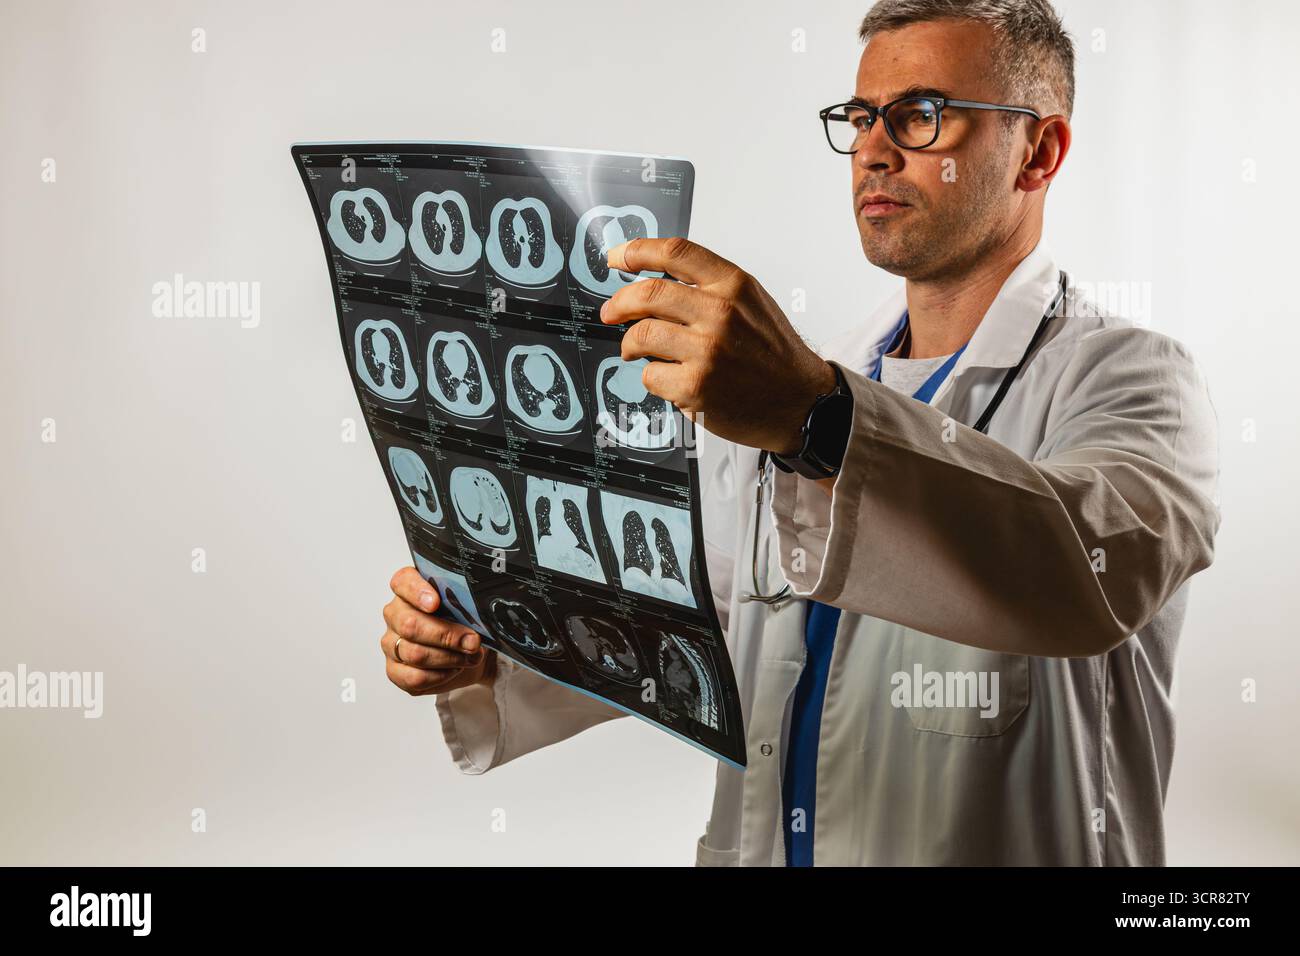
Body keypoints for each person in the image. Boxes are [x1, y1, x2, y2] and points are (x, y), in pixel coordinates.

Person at [376, 0, 1220, 865]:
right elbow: (688, 628)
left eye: (920, 116)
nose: (874, 150)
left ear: (1038, 153)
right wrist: (491, 652)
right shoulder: (791, 393)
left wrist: (817, 419)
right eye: (861, 117)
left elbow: (1082, 571)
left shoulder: (1130, 378)